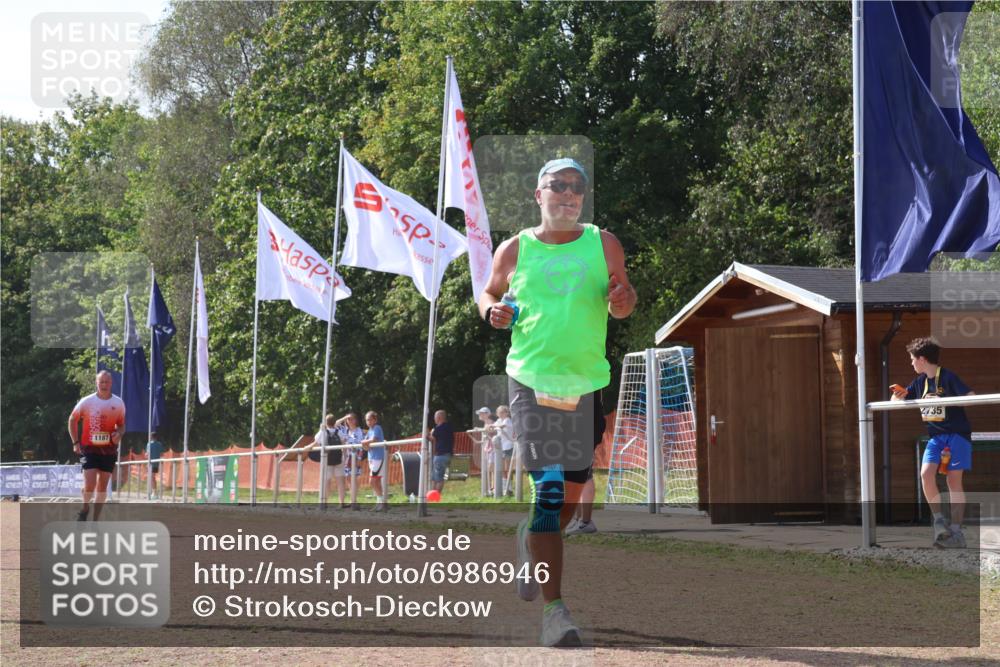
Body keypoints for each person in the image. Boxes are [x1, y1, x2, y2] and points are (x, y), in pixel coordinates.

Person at [479, 157, 636, 647]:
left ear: (582, 198)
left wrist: (623, 299)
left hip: (586, 384)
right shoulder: (515, 249)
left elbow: (623, 299)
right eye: (557, 186)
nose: (567, 193)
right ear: (539, 195)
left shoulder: (603, 243)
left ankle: (531, 542)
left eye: (576, 187)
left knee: (567, 498)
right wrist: (494, 312)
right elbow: (487, 294)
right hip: (530, 382)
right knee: (548, 491)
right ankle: (555, 612)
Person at [891, 337, 975, 548]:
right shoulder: (919, 382)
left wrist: (944, 401)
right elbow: (896, 399)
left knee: (953, 482)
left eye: (912, 359)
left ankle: (956, 532)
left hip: (957, 435)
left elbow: (971, 396)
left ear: (922, 359)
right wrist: (899, 396)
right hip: (935, 438)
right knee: (926, 474)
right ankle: (939, 522)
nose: (911, 363)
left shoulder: (948, 377)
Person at [68, 371, 125, 521]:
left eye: (107, 382)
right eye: (101, 382)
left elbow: (121, 425)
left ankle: (95, 521)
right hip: (89, 449)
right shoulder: (87, 401)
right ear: (97, 383)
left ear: (111, 383)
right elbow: (72, 420)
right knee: (90, 485)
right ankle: (85, 508)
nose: (104, 385)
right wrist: (75, 442)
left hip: (108, 450)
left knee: (101, 488)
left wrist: (119, 434)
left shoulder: (118, 403)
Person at [301, 414, 345, 507]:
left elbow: (316, 442)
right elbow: (344, 442)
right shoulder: (339, 432)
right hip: (339, 459)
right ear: (334, 422)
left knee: (326, 482)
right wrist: (344, 456)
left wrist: (307, 447)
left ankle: (324, 502)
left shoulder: (323, 432)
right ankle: (342, 502)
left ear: (325, 422)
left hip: (327, 460)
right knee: (340, 481)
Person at [335, 412, 365, 509]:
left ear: (356, 420)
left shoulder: (359, 431)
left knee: (354, 479)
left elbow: (361, 446)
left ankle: (354, 501)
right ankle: (352, 500)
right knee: (348, 479)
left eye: (352, 419)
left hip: (355, 457)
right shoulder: (345, 430)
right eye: (348, 419)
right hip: (346, 458)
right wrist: (344, 417)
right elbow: (335, 424)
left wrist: (359, 459)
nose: (350, 421)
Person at [361, 411, 387, 511]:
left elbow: (374, 439)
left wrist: (364, 442)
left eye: (370, 419)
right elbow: (366, 446)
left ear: (375, 420)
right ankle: (380, 502)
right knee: (377, 481)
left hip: (378, 458)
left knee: (372, 481)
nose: (368, 422)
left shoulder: (377, 428)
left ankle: (381, 501)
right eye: (367, 420)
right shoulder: (369, 431)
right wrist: (365, 443)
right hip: (371, 458)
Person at [428, 410, 455, 494]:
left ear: (439, 418)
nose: (434, 419)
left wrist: (427, 435)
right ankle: (433, 496)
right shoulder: (449, 427)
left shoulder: (438, 428)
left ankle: (434, 497)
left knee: (437, 478)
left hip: (440, 456)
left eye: (435, 417)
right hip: (448, 455)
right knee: (438, 478)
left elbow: (432, 439)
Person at [494, 405, 516, 496]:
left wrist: (493, 426)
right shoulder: (499, 420)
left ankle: (509, 488)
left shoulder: (508, 420)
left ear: (507, 413)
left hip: (508, 446)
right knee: (502, 469)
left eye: (503, 412)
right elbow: (494, 426)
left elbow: (501, 426)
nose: (501, 414)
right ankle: (504, 488)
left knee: (508, 468)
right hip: (501, 447)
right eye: (499, 412)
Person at [146, 432, 164, 498]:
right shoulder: (159, 444)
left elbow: (147, 454)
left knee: (152, 478)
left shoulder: (149, 444)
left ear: (151, 437)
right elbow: (161, 454)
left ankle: (154, 493)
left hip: (151, 463)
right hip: (157, 463)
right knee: (153, 477)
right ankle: (154, 492)